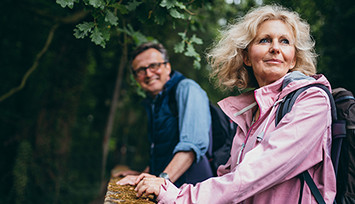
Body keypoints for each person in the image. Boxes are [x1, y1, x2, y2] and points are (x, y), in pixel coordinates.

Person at [130, 5, 337, 203]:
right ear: (246, 57)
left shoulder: (312, 101)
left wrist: (175, 194)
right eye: (264, 40)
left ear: (293, 59)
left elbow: (256, 172)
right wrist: (146, 178)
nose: (275, 48)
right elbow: (229, 175)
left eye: (285, 41)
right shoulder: (249, 112)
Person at [114, 42, 213, 187]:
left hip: (193, 193)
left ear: (167, 67)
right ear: (136, 78)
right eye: (141, 70)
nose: (148, 73)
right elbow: (163, 152)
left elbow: (191, 147)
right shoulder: (154, 103)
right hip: (170, 192)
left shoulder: (187, 89)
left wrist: (162, 180)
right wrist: (143, 174)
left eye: (154, 65)